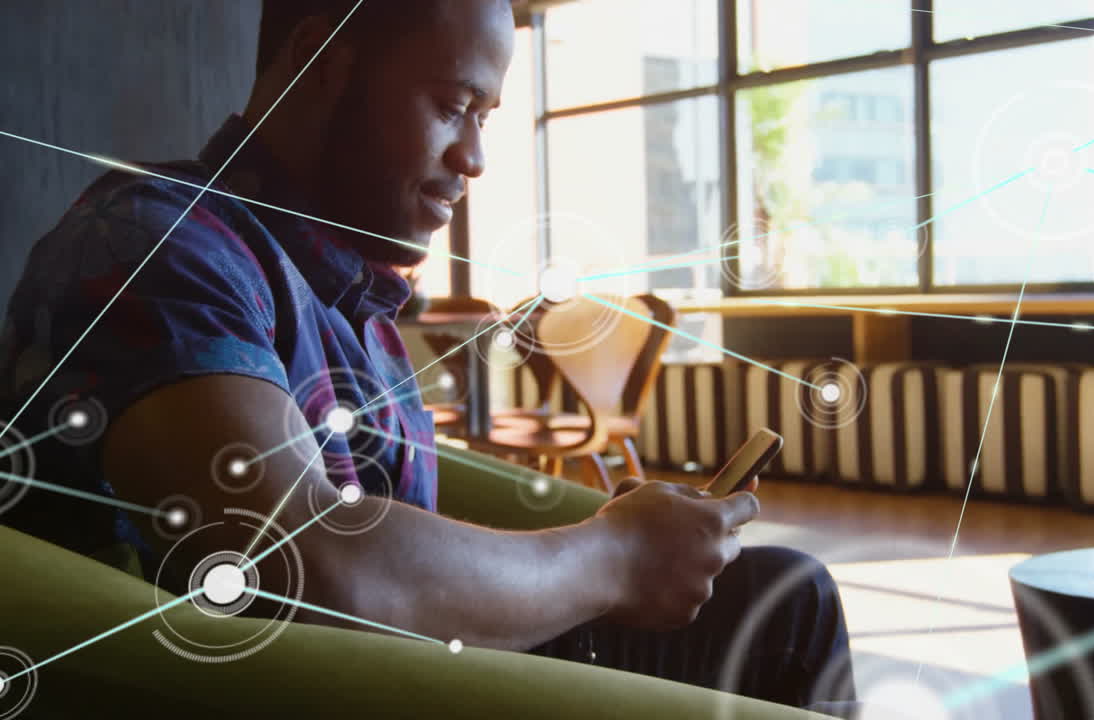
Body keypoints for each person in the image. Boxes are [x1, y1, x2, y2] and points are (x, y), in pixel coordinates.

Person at [0, 0, 856, 713]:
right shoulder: (160, 242)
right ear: (319, 62)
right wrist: (614, 556)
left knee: (786, 594)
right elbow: (304, 569)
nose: (474, 160)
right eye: (453, 106)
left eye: (483, 120)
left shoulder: (350, 298)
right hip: (283, 686)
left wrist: (609, 543)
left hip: (418, 659)